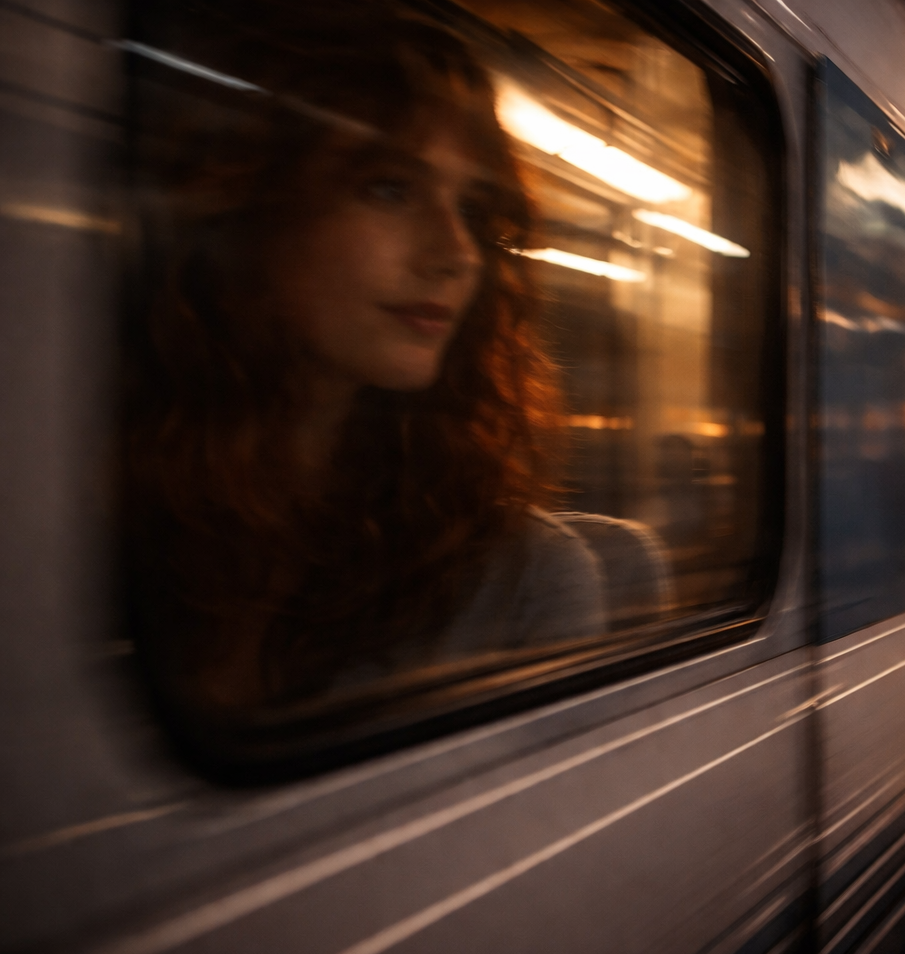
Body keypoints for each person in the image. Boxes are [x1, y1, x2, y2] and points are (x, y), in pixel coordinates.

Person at [123, 3, 604, 713]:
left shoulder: (522, 583)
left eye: (472, 212)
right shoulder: (85, 519)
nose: (457, 254)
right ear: (250, 207)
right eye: (389, 189)